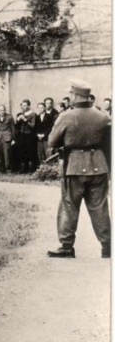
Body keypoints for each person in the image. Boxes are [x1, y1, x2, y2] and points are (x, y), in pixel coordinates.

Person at [47, 80, 111, 259]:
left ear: (75, 96)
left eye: (71, 94)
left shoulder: (66, 116)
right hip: (99, 165)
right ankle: (108, 246)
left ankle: (67, 246)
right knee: (100, 208)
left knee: (69, 205)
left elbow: (52, 141)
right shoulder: (103, 115)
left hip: (73, 166)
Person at [15, 99, 37, 173]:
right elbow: (17, 126)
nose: (23, 107)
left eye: (25, 105)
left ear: (28, 106)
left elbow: (33, 126)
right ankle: (24, 168)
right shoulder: (20, 114)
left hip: (29, 135)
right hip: (22, 135)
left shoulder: (33, 114)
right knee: (22, 151)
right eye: (22, 105)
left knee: (30, 151)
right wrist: (18, 120)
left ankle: (31, 169)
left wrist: (24, 119)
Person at [0, 105, 15, 173]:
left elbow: (13, 128)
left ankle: (8, 169)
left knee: (7, 154)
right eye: (0, 110)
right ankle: (1, 169)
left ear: (5, 110)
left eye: (3, 110)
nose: (1, 112)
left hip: (7, 137)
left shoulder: (9, 117)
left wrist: (13, 139)